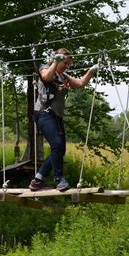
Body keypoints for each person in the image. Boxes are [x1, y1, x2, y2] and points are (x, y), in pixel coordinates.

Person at [29, 48, 99, 191]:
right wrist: (55, 61)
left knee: (60, 149)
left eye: (68, 64)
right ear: (58, 59)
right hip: (43, 113)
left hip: (56, 116)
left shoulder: (64, 76)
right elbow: (47, 77)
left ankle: (38, 180)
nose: (66, 66)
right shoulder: (45, 68)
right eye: (65, 63)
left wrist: (91, 71)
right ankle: (59, 179)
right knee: (57, 145)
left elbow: (80, 84)